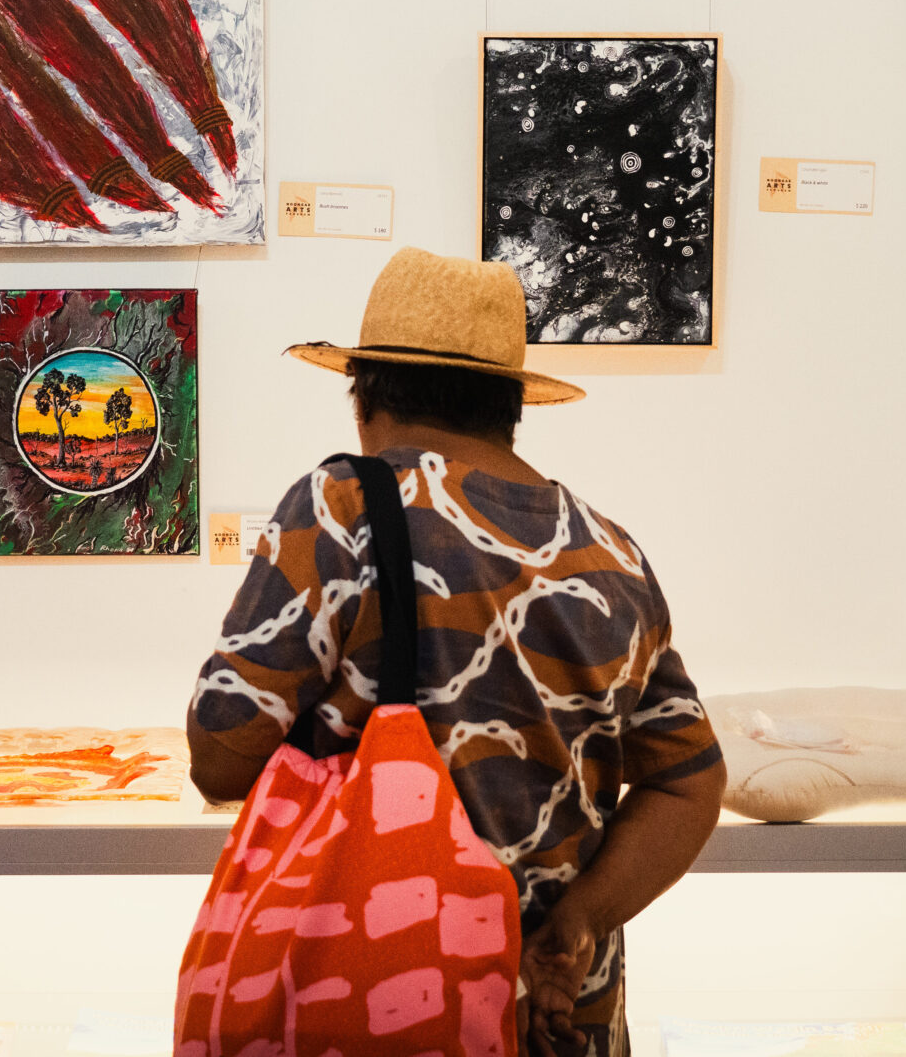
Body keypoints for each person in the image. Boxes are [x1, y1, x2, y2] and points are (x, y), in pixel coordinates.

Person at [186, 247, 724, 1057]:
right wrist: (576, 922)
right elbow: (690, 782)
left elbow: (220, 756)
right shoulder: (609, 553)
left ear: (363, 394)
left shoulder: (338, 510)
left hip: (379, 1001)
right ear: (511, 407)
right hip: (555, 1016)